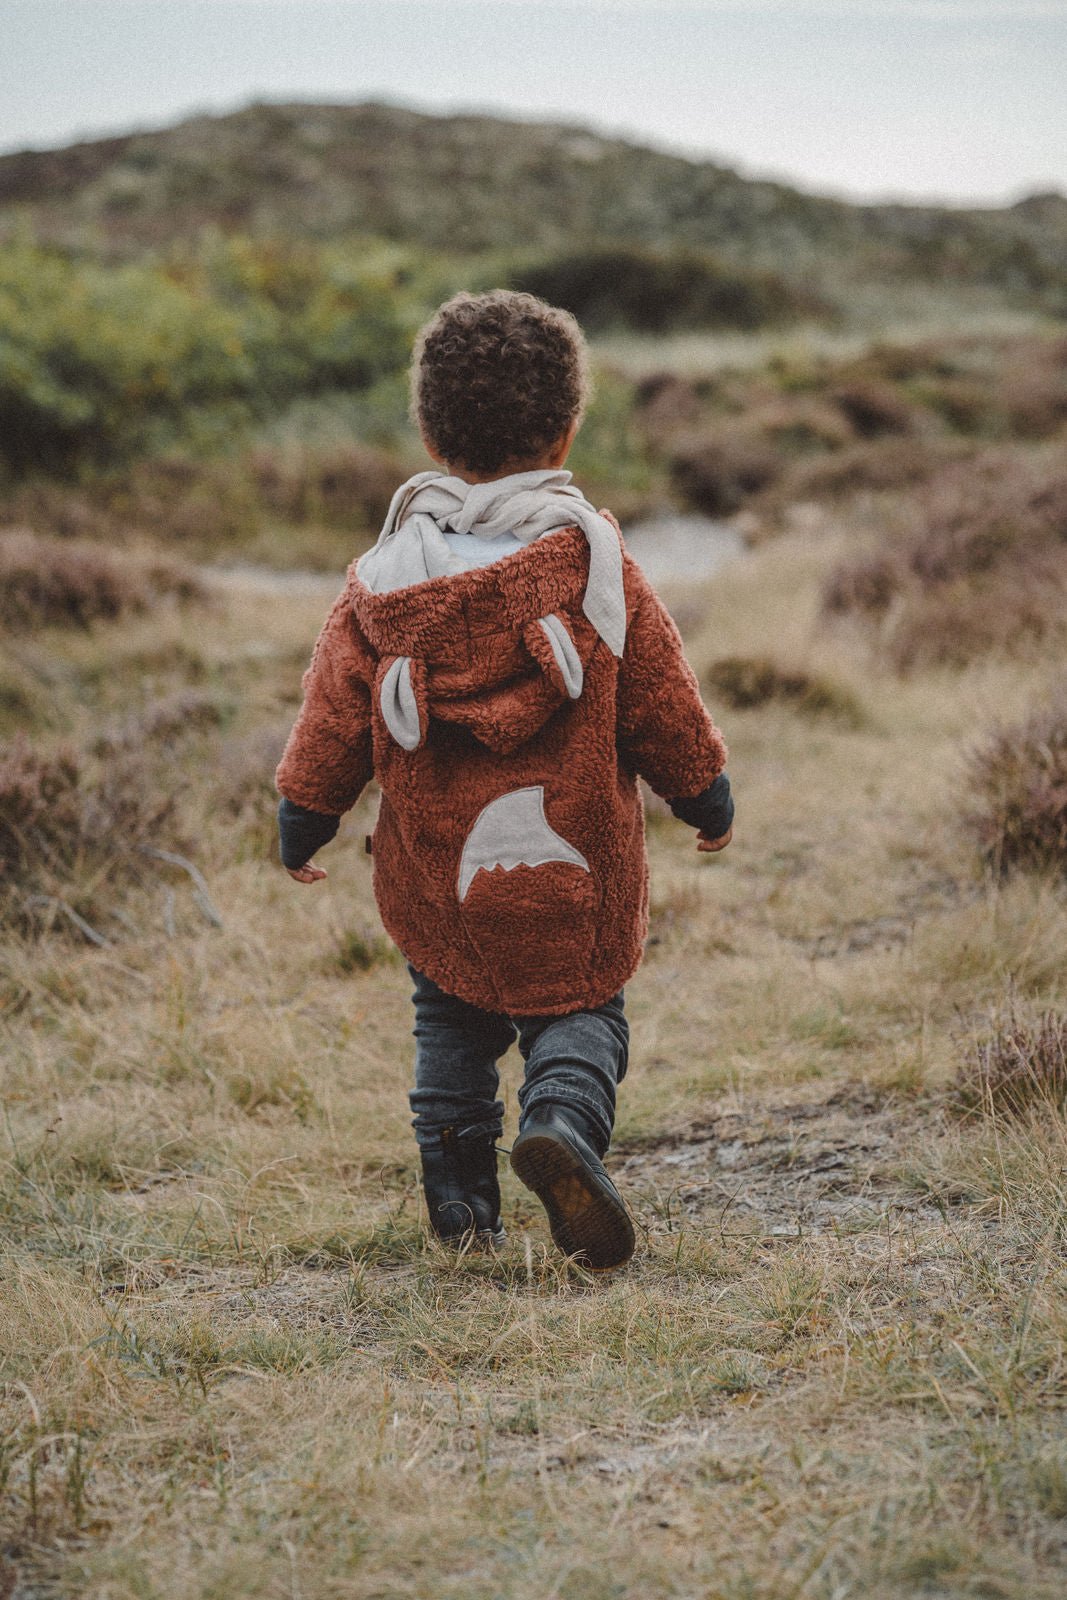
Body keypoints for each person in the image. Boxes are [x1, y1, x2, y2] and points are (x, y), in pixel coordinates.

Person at [275, 290, 733, 1271]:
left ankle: (460, 1203)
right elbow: (660, 694)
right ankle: (560, 1122)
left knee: (448, 1019)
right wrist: (703, 792)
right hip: (576, 870)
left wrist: (303, 816)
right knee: (581, 1008)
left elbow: (331, 716)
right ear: (566, 429)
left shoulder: (384, 580)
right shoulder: (594, 562)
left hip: (439, 874)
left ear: (430, 436)